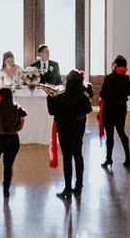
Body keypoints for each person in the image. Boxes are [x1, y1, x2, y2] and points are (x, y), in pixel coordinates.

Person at [47, 69, 93, 200]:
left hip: (65, 129)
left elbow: (52, 111)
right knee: (78, 155)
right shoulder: (84, 97)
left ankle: (67, 188)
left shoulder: (62, 97)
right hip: (78, 129)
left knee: (67, 157)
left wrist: (49, 97)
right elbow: (88, 110)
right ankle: (78, 186)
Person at [0, 87, 26, 196]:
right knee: (8, 165)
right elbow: (21, 125)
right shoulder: (18, 110)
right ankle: (6, 188)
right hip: (12, 139)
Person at [100, 54, 130, 169]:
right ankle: (128, 158)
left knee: (110, 136)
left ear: (115, 65)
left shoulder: (109, 78)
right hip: (121, 109)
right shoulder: (126, 78)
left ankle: (109, 159)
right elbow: (128, 93)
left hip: (109, 110)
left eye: (113, 63)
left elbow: (102, 93)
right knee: (121, 132)